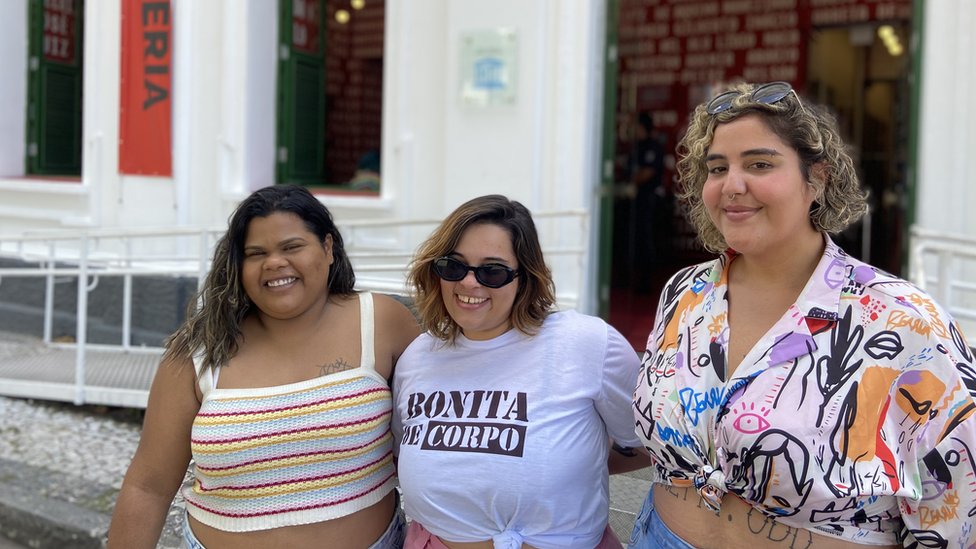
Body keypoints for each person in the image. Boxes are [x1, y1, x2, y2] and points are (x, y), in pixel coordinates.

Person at [629, 81, 976, 548]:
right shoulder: (684, 293)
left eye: (759, 164)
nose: (732, 185)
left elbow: (955, 507)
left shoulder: (907, 322)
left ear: (817, 179)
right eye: (717, 168)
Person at [107, 185, 421, 548]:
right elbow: (148, 486)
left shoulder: (382, 322)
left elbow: (445, 427)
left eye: (292, 247)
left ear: (329, 248)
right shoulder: (198, 353)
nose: (274, 263)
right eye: (256, 253)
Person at [392, 194, 646, 549]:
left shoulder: (587, 344)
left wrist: (573, 464)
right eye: (453, 266)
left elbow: (650, 445)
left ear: (525, 278)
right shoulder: (416, 358)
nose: (468, 283)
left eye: (492, 271)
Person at [629, 112, 671, 293]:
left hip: (650, 201)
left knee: (648, 240)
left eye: (636, 126)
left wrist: (630, 183)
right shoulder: (636, 147)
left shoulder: (653, 147)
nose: (633, 130)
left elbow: (648, 172)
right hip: (635, 202)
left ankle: (646, 282)